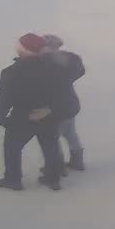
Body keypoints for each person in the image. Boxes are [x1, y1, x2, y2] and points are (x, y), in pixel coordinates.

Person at [0, 33, 70, 191]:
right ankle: (52, 179)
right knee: (51, 147)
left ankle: (13, 180)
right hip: (48, 115)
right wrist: (49, 110)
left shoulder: (11, 72)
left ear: (24, 49)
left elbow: (5, 98)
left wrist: (1, 117)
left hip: (22, 117)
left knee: (12, 148)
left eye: (19, 44)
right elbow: (62, 94)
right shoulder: (54, 68)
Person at [41, 34, 86, 174]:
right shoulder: (69, 59)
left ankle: (57, 166)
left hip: (55, 106)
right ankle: (77, 161)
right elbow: (80, 71)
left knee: (53, 137)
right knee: (71, 133)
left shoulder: (45, 62)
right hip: (70, 103)